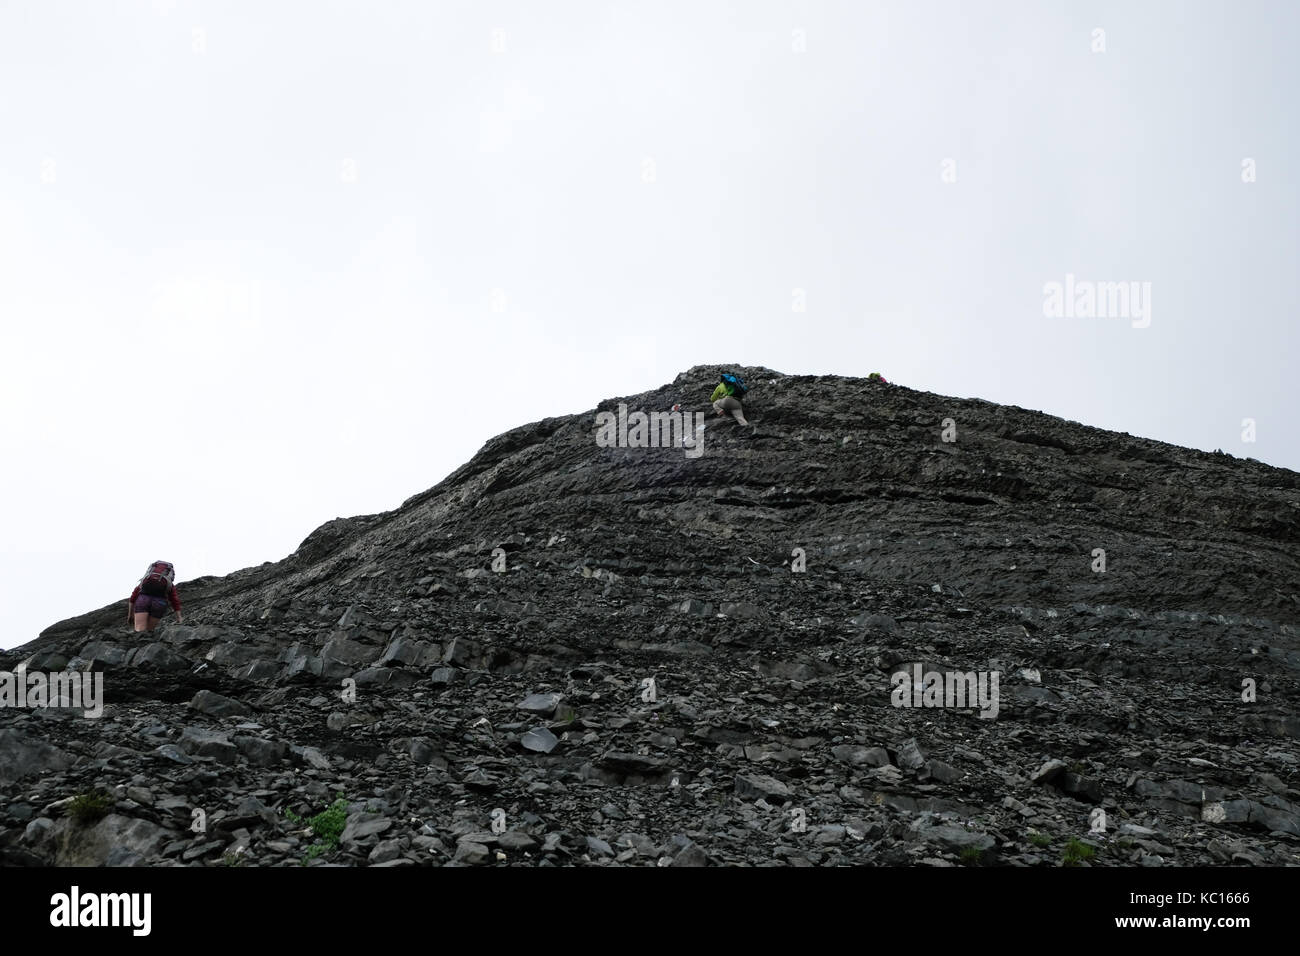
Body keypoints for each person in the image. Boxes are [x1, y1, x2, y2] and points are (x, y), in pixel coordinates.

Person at [127, 560, 183, 632]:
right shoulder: (169, 584)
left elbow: (133, 598)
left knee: (139, 631)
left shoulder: (146, 580)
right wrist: (179, 618)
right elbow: (175, 601)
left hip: (143, 599)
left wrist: (130, 615)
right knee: (149, 631)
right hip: (159, 603)